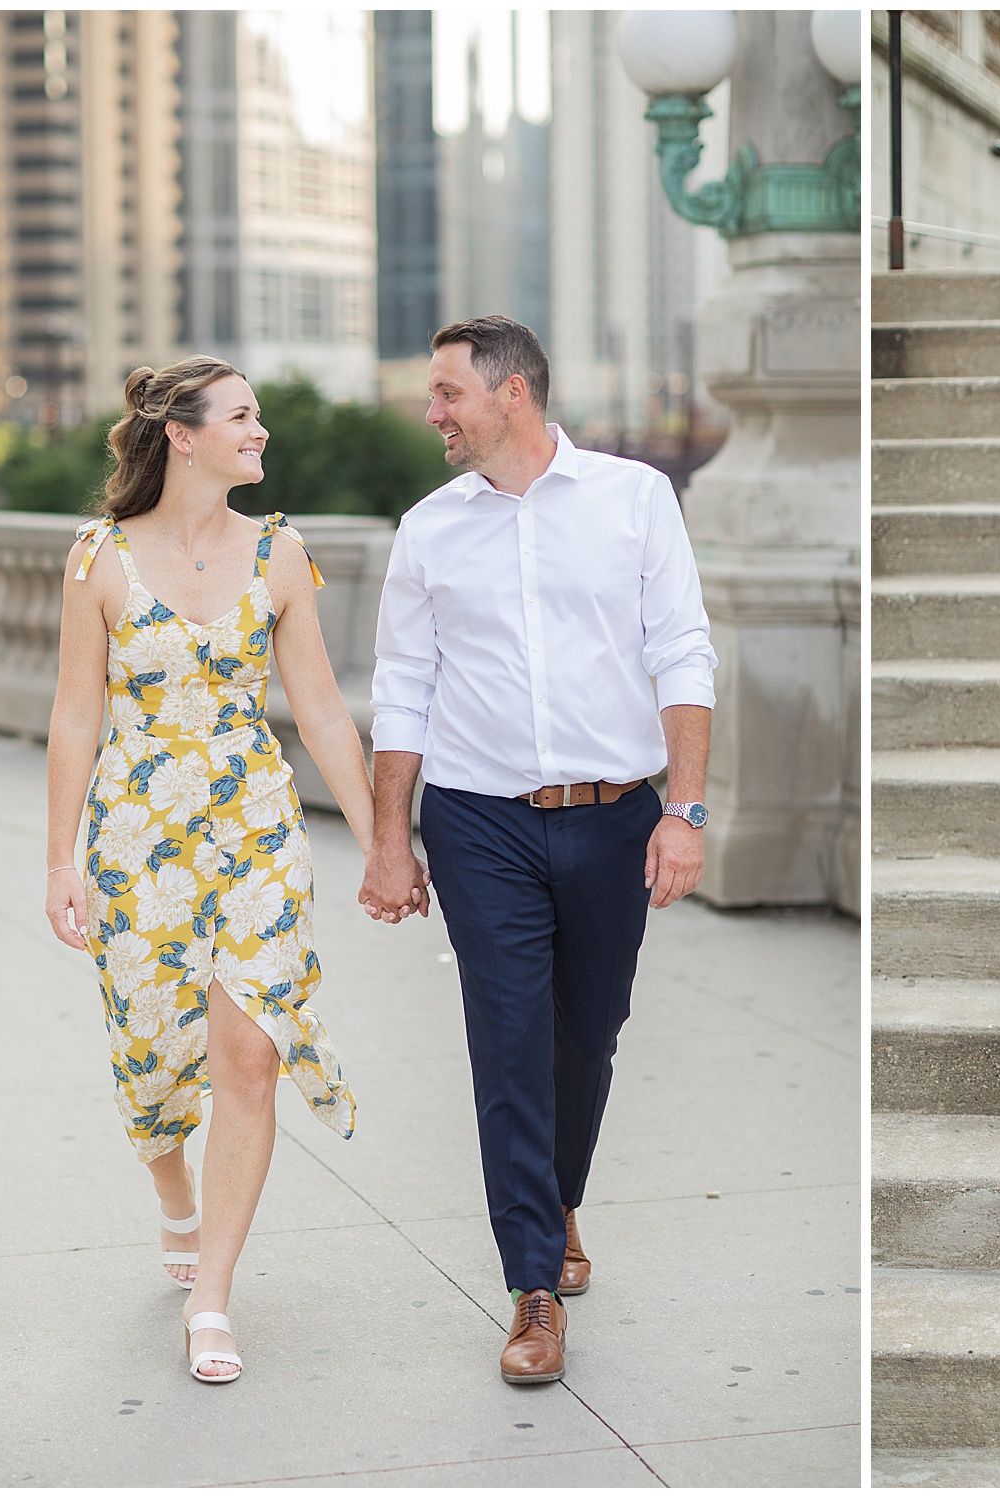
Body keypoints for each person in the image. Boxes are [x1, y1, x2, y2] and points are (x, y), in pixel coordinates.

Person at [361, 314, 715, 1385]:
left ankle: (557, 1198)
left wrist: (682, 812)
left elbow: (681, 649)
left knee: (585, 1033)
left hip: (615, 811)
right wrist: (389, 838)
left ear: (510, 394)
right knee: (508, 1040)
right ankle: (530, 1287)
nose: (434, 413)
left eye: (447, 394)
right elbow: (402, 690)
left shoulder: (633, 499)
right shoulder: (428, 529)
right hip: (478, 820)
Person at [44, 358, 373, 1384]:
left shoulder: (280, 551)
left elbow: (318, 707)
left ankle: (213, 1293)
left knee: (250, 1054)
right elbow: (75, 712)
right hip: (136, 839)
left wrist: (378, 837)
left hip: (255, 832)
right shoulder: (99, 556)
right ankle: (172, 1196)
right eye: (242, 416)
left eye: (259, 414)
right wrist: (60, 857)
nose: (260, 431)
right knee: (150, 1054)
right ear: (182, 435)